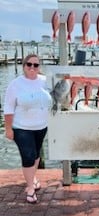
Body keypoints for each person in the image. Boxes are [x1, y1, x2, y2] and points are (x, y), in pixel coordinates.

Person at [4, 54, 52, 204]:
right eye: (29, 64)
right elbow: (8, 108)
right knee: (28, 156)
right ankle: (30, 188)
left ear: (39, 68)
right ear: (24, 65)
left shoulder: (46, 82)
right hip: (21, 127)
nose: (32, 67)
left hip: (41, 126)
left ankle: (33, 178)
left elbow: (66, 82)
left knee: (36, 155)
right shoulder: (15, 84)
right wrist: (8, 129)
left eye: (35, 65)